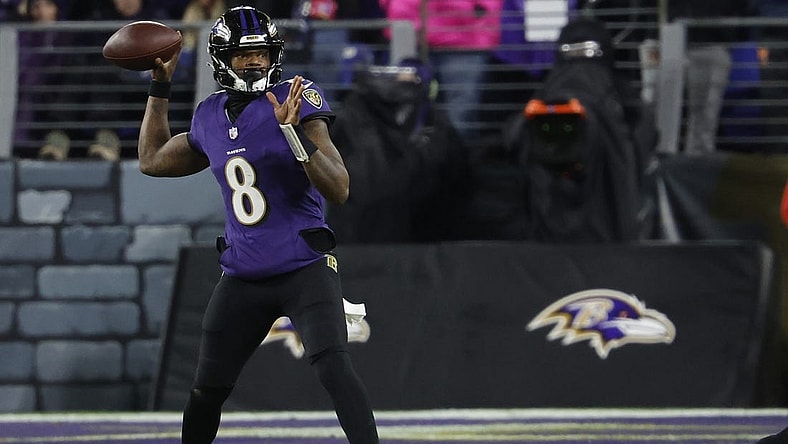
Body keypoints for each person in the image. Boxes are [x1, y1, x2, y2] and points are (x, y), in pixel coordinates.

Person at [136, 6, 379, 443]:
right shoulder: (209, 114)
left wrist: (294, 134)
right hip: (243, 274)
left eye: (262, 54)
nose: (254, 63)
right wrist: (160, 86)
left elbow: (339, 187)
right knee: (205, 389)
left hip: (303, 265)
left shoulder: (295, 98)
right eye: (243, 55)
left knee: (334, 368)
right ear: (220, 59)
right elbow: (152, 160)